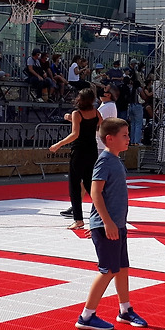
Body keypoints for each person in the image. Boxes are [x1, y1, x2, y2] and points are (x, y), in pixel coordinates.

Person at [75, 117, 148, 330]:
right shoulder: (105, 161)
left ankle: (125, 310)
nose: (128, 138)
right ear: (110, 138)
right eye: (124, 135)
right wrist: (105, 223)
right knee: (107, 270)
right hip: (109, 226)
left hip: (117, 225)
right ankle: (87, 316)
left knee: (122, 268)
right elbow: (95, 192)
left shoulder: (115, 160)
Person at [49, 88, 100, 229]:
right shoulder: (96, 112)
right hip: (92, 150)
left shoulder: (77, 113)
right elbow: (99, 126)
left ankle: (78, 219)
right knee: (90, 183)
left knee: (75, 185)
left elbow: (75, 134)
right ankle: (103, 212)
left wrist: (58, 144)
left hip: (79, 151)